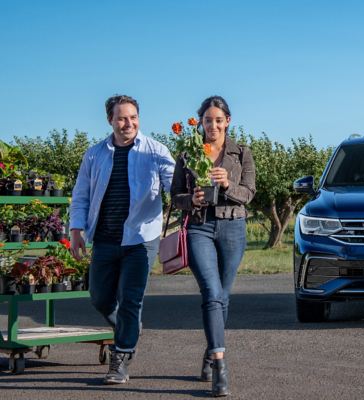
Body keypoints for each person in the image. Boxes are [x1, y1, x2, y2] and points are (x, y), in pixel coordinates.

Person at [70, 94, 175, 384]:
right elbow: (80, 195)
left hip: (142, 238)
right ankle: (129, 328)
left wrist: (189, 189)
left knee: (131, 299)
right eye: (121, 118)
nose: (128, 123)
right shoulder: (94, 154)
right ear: (110, 120)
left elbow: (175, 184)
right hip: (104, 237)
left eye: (133, 117)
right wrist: (76, 230)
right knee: (99, 297)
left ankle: (121, 357)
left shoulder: (155, 151)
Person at [171, 95, 255, 397]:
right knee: (211, 292)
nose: (213, 125)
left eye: (219, 120)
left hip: (233, 227)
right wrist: (188, 199)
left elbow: (249, 193)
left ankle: (209, 351)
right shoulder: (187, 153)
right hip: (199, 227)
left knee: (223, 295)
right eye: (208, 120)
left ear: (227, 121)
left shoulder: (241, 153)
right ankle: (221, 365)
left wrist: (226, 185)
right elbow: (174, 196)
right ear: (201, 123)